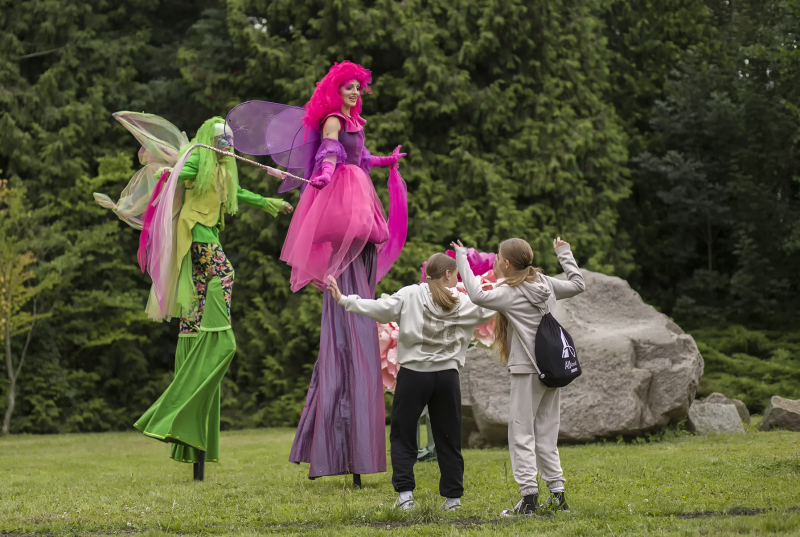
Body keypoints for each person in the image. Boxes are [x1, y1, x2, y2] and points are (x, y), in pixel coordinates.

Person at [96, 114, 292, 480]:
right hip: (196, 235)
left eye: (229, 143)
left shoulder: (222, 170)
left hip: (209, 237)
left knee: (198, 304)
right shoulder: (199, 162)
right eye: (222, 142)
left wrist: (267, 201)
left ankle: (200, 329)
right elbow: (175, 175)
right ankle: (216, 331)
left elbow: (236, 195)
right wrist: (164, 175)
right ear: (210, 143)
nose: (227, 148)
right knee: (225, 273)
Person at [282, 61, 409, 488]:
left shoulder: (355, 120)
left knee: (361, 298)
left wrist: (386, 159)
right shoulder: (334, 120)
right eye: (349, 87)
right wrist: (322, 171)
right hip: (344, 209)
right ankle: (340, 445)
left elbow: (360, 156)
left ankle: (348, 447)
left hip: (361, 208)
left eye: (359, 87)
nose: (355, 93)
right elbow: (333, 150)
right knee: (348, 322)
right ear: (335, 92)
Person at [326, 253, 494, 510]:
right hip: (448, 378)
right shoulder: (462, 301)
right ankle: (453, 501)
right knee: (448, 438)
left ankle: (405, 498)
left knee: (403, 436)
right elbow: (490, 308)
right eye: (456, 274)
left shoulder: (410, 294)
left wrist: (345, 300)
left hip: (414, 375)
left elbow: (379, 309)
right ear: (448, 274)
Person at [452, 237, 585, 514]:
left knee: (521, 433)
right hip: (552, 369)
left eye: (499, 257)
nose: (497, 261)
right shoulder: (545, 284)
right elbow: (577, 284)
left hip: (527, 371)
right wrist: (564, 253)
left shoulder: (510, 293)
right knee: (546, 431)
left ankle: (528, 499)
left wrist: (461, 257)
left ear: (507, 263)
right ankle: (558, 496)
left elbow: (476, 296)